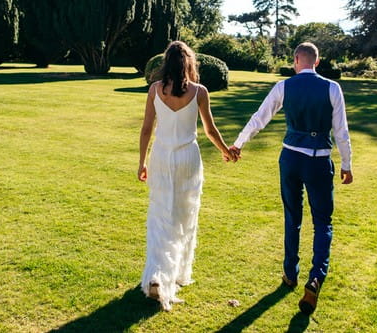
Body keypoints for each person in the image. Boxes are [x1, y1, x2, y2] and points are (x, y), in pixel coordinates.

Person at [230, 42, 353, 315]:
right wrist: (346, 164)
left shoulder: (284, 86)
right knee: (323, 221)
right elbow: (341, 131)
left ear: (297, 60)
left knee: (292, 217)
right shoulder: (332, 88)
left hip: (291, 160)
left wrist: (239, 143)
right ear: (317, 62)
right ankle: (316, 277)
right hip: (319, 161)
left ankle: (290, 273)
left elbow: (259, 118)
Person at [138, 41, 236, 311]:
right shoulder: (200, 91)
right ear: (189, 64)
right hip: (188, 159)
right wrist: (226, 151)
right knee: (183, 215)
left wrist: (141, 162)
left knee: (160, 215)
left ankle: (158, 276)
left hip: (161, 157)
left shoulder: (155, 90)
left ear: (166, 63)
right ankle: (175, 275)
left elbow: (147, 129)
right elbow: (210, 130)